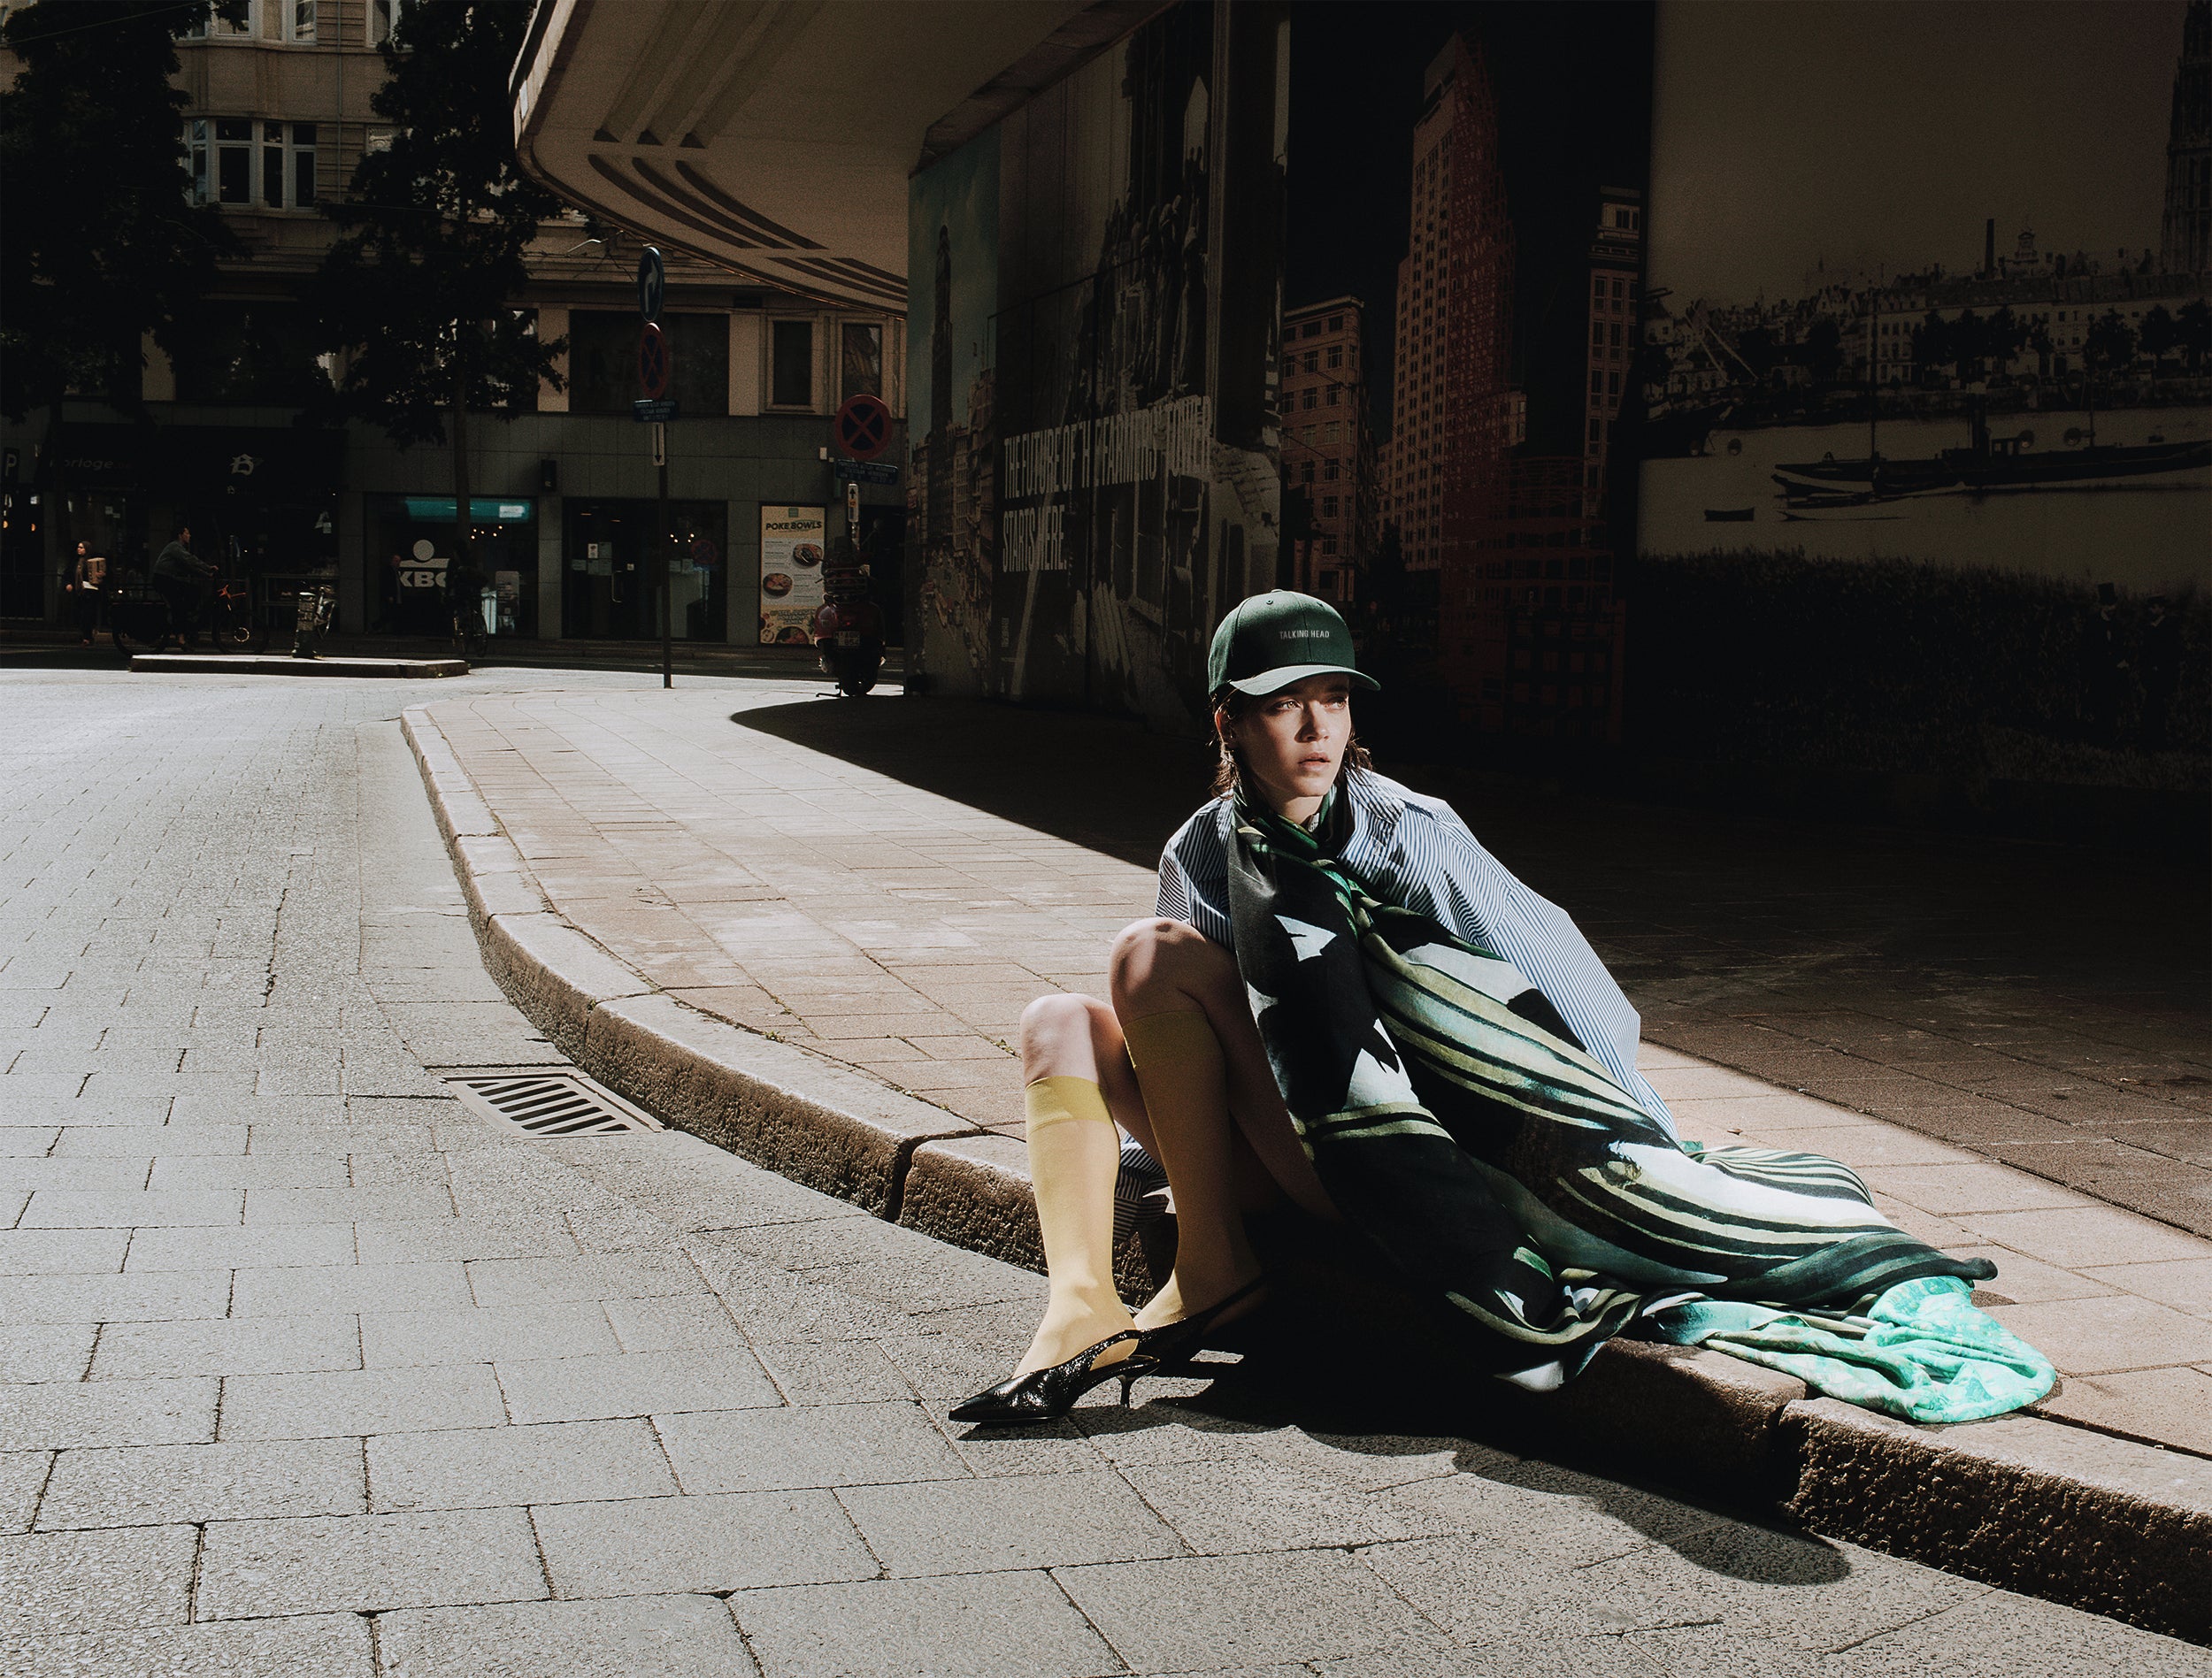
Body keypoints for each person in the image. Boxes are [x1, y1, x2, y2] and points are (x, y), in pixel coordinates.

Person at [952, 591, 2053, 1428]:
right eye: (1282, 704)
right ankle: (1081, 1301)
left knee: (1143, 956)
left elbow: (1570, 986)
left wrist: (1641, 1149)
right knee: (1058, 1019)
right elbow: (1178, 1043)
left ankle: (1214, 1273)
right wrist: (1164, 1176)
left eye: (1331, 698)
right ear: (1228, 723)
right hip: (1275, 1145)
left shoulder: (1408, 831)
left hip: (1390, 1156)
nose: (1313, 726)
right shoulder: (1202, 849)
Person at [150, 525, 214, 650]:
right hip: (163, 579)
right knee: (179, 606)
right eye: (187, 533)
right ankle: (180, 638)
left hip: (168, 579)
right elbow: (190, 560)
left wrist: (207, 575)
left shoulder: (178, 548)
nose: (189, 535)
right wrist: (208, 568)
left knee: (193, 591)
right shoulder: (175, 547)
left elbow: (190, 567)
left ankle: (185, 619)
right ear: (180, 535)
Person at [61, 540, 105, 646]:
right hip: (79, 592)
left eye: (81, 548)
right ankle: (85, 635)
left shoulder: (92, 561)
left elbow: (103, 575)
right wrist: (68, 584)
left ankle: (87, 637)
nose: (79, 549)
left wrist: (101, 576)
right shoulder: (75, 562)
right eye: (78, 547)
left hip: (90, 592)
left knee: (87, 614)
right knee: (80, 614)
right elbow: (67, 575)